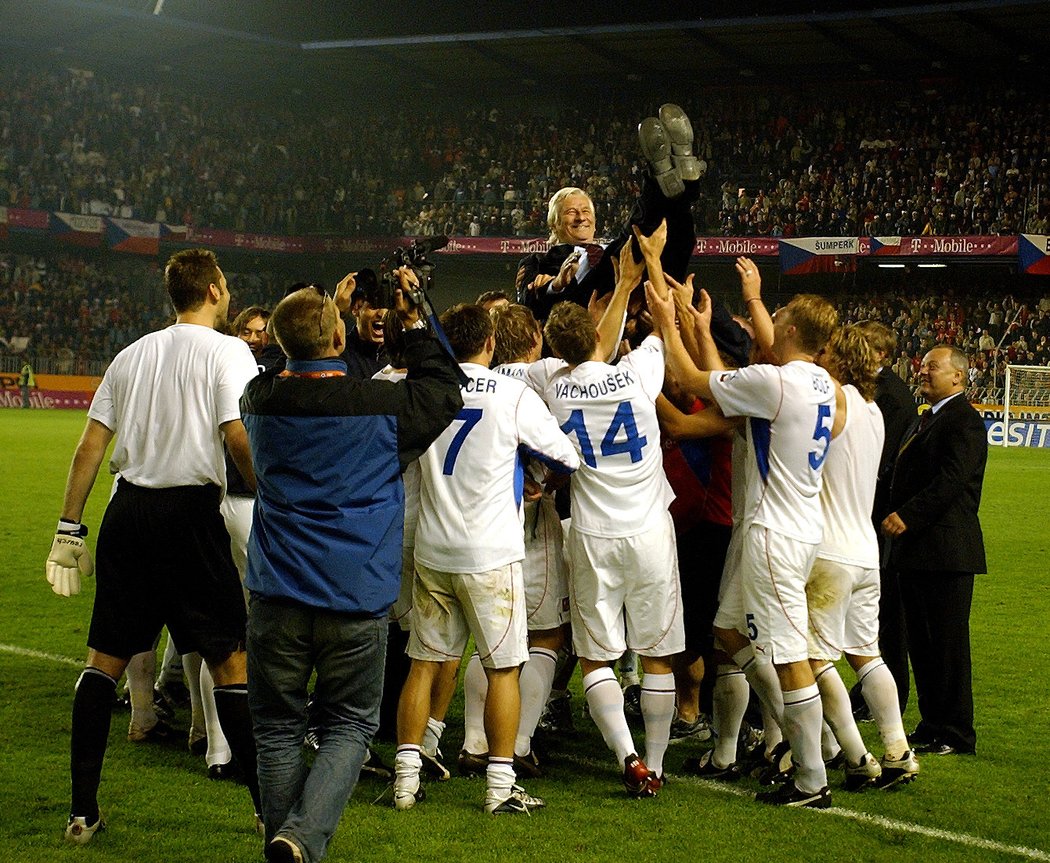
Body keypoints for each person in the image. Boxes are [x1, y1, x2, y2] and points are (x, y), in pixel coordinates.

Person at [240, 273, 463, 862]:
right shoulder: (382, 407)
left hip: (276, 592)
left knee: (278, 729)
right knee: (349, 726)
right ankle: (301, 840)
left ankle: (285, 841)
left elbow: (278, 362)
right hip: (354, 594)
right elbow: (444, 387)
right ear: (340, 336)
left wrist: (323, 318)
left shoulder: (258, 400)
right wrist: (412, 319)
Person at [44, 248, 263, 844]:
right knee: (230, 661)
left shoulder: (132, 353)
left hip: (127, 511)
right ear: (216, 290)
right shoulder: (229, 351)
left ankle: (82, 812)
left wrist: (69, 527)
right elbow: (236, 434)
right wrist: (271, 496)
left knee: (103, 662)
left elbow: (91, 444)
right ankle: (268, 810)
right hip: (190, 514)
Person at [648, 279, 839, 809]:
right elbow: (727, 383)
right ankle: (803, 743)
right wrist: (703, 328)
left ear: (790, 331)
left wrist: (667, 318)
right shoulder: (822, 384)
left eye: (775, 318)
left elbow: (690, 378)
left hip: (773, 533)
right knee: (728, 633)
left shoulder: (777, 383)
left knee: (788, 656)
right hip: (793, 524)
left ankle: (811, 774)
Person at [395, 303, 579, 816]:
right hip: (491, 553)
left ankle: (405, 781)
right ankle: (500, 787)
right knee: (504, 670)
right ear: (491, 343)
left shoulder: (427, 390)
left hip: (434, 547)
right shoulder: (512, 393)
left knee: (423, 665)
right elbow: (568, 456)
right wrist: (528, 471)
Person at [528, 225, 684, 798]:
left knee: (596, 655)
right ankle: (659, 761)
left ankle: (628, 758)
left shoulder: (553, 384)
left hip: (590, 535)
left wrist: (618, 290)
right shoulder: (638, 374)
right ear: (599, 335)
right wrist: (647, 269)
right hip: (648, 531)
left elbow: (584, 348)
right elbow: (661, 325)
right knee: (658, 651)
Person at [807, 325, 918, 791]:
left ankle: (858, 756)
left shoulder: (834, 401)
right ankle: (898, 749)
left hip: (829, 549)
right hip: (865, 549)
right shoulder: (875, 410)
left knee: (812, 659)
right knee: (867, 654)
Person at [882, 345, 987, 756]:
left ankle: (957, 731)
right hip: (919, 551)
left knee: (946, 645)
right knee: (922, 644)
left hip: (947, 551)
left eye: (933, 367)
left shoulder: (965, 422)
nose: (923, 371)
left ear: (958, 377)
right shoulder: (930, 419)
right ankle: (932, 724)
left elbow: (952, 481)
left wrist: (908, 515)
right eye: (922, 365)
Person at [516, 104, 701, 322]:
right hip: (583, 312)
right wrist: (556, 284)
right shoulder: (537, 261)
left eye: (586, 211)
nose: (581, 217)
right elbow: (525, 302)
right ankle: (671, 176)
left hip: (636, 310)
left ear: (595, 221)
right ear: (554, 224)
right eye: (571, 212)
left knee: (676, 241)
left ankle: (677, 172)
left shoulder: (602, 249)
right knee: (627, 245)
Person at [849, 320, 915, 718]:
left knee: (886, 614)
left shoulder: (892, 397)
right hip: (865, 516)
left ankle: (889, 699)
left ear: (881, 354)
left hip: (877, 519)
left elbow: (880, 464)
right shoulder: (871, 391)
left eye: (861, 347)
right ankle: (870, 694)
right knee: (869, 614)